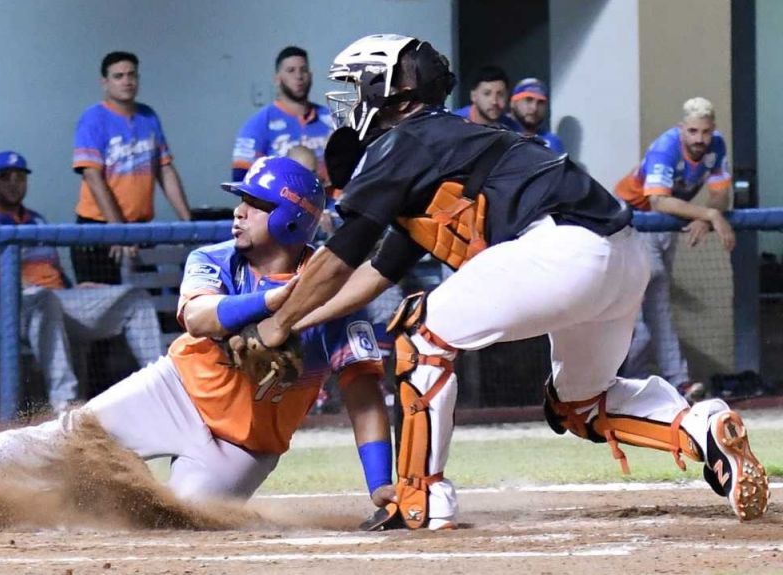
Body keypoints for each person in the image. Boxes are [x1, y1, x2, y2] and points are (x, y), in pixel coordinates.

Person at [252, 34, 768, 528]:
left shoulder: (404, 141)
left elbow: (340, 257)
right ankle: (702, 428)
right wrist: (301, 323)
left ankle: (420, 497)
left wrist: (276, 323)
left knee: (419, 332)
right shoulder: (454, 141)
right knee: (580, 401)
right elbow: (374, 273)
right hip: (620, 255)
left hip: (562, 249)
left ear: (394, 91)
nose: (349, 98)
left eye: (359, 84)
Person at [0, 156, 391, 522]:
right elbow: (200, 319)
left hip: (243, 448)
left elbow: (364, 396)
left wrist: (380, 486)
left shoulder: (340, 300)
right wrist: (279, 303)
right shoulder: (213, 259)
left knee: (172, 523)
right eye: (242, 200)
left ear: (294, 219)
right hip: (173, 393)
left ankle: (69, 500)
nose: (239, 210)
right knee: (61, 438)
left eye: (256, 203)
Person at [0, 151, 163, 415]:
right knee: (44, 301)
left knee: (134, 298)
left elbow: (53, 272)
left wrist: (73, 290)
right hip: (0, 314)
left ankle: (163, 390)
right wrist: (10, 289)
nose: (13, 183)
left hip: (52, 303)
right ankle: (66, 405)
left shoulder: (37, 221)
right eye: (5, 177)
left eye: (20, 177)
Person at [614, 97, 734, 402]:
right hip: (630, 223)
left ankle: (663, 382)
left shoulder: (716, 146)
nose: (699, 139)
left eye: (705, 132)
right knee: (640, 316)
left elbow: (720, 196)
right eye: (693, 131)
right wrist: (706, 215)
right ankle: (627, 384)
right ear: (682, 129)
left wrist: (707, 217)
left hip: (664, 226)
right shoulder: (665, 147)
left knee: (658, 306)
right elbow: (658, 201)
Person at [70, 51, 191, 286]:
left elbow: (165, 169)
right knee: (102, 310)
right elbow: (92, 176)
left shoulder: (148, 116)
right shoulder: (93, 119)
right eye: (118, 76)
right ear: (104, 82)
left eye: (131, 75)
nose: (127, 81)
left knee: (146, 305)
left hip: (140, 229)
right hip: (101, 228)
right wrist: (118, 232)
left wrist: (190, 225)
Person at [232, 46, 335, 184]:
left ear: (310, 75)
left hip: (330, 202)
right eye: (291, 70)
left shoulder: (332, 119)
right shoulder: (259, 124)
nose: (298, 76)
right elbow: (241, 176)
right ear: (277, 78)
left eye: (303, 70)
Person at [454, 65, 520, 130]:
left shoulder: (512, 127)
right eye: (487, 94)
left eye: (500, 95)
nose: (494, 101)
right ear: (473, 96)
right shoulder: (455, 123)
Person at [509, 78, 565, 154]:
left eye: (540, 102)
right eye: (528, 100)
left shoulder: (553, 142)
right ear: (513, 103)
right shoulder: (500, 137)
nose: (534, 108)